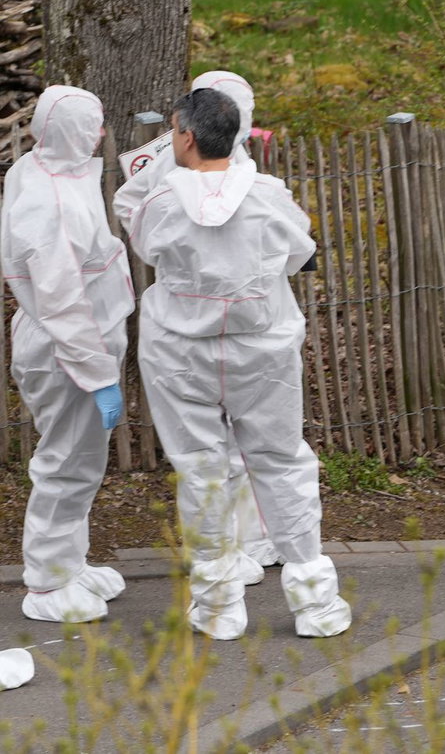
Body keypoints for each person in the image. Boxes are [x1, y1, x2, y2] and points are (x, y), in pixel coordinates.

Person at [129, 87, 351, 640]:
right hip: (262, 347)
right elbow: (301, 251)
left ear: (182, 134)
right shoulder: (269, 194)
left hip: (181, 352)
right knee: (281, 462)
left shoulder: (162, 200)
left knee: (203, 472)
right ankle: (316, 602)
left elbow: (146, 248)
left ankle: (218, 606)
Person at [114, 71, 280, 582]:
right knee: (208, 447)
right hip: (193, 322)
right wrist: (181, 257)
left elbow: (291, 247)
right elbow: (131, 206)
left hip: (253, 319)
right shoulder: (172, 156)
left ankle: (254, 537)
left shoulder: (252, 166)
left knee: (255, 441)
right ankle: (217, 552)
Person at [1, 86, 136, 623]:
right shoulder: (49, 208)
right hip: (69, 348)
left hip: (80, 340)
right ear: (73, 134)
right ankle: (47, 583)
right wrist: (97, 373)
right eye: (94, 125)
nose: (101, 133)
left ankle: (68, 562)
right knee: (65, 462)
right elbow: (62, 305)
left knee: (82, 460)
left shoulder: (42, 165)